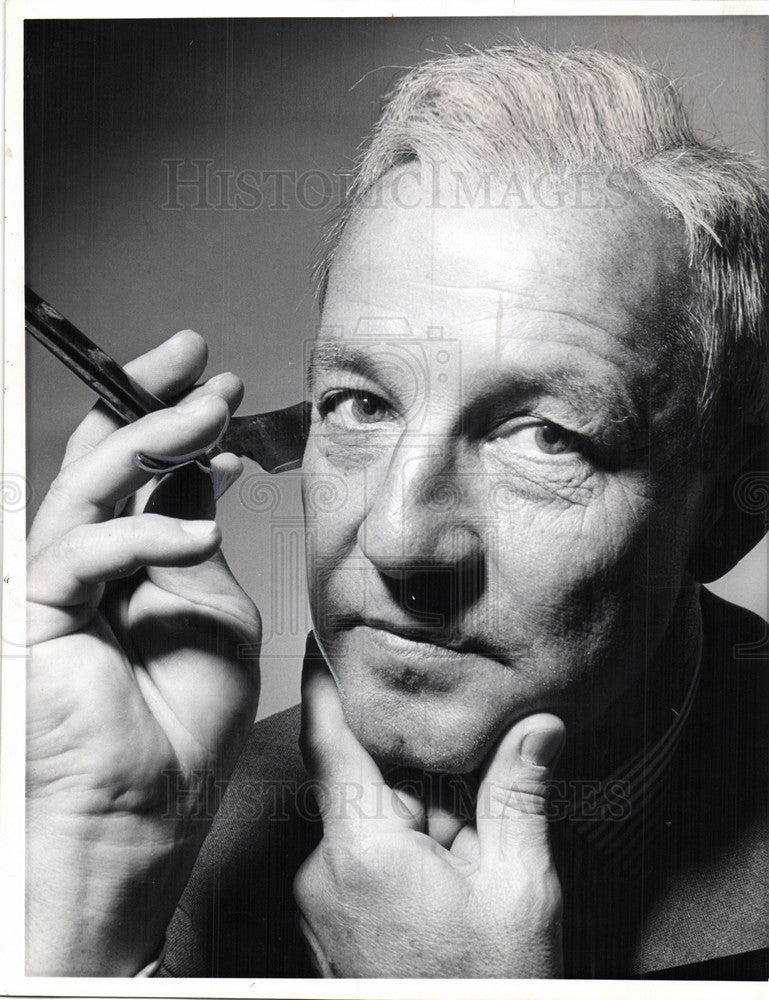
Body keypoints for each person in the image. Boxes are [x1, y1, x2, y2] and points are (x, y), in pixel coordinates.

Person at [26, 42, 768, 979]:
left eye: (544, 436)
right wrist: (91, 887)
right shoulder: (173, 843)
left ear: (730, 512)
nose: (396, 537)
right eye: (361, 405)